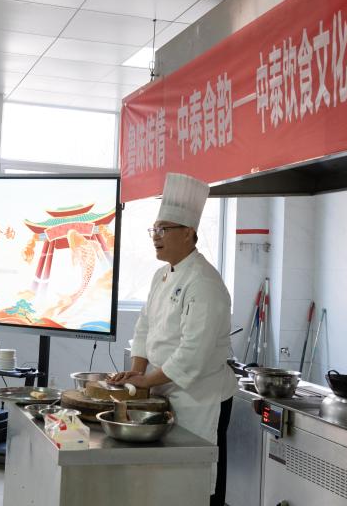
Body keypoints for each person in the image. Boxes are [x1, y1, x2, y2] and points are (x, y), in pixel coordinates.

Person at [109, 173, 237, 506]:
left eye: (164, 229)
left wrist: (146, 381)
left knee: (197, 484)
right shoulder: (161, 275)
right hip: (165, 392)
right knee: (167, 483)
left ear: (189, 233)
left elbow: (193, 354)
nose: (156, 237)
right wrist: (137, 373)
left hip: (199, 399)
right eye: (154, 229)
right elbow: (144, 327)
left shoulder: (205, 283)